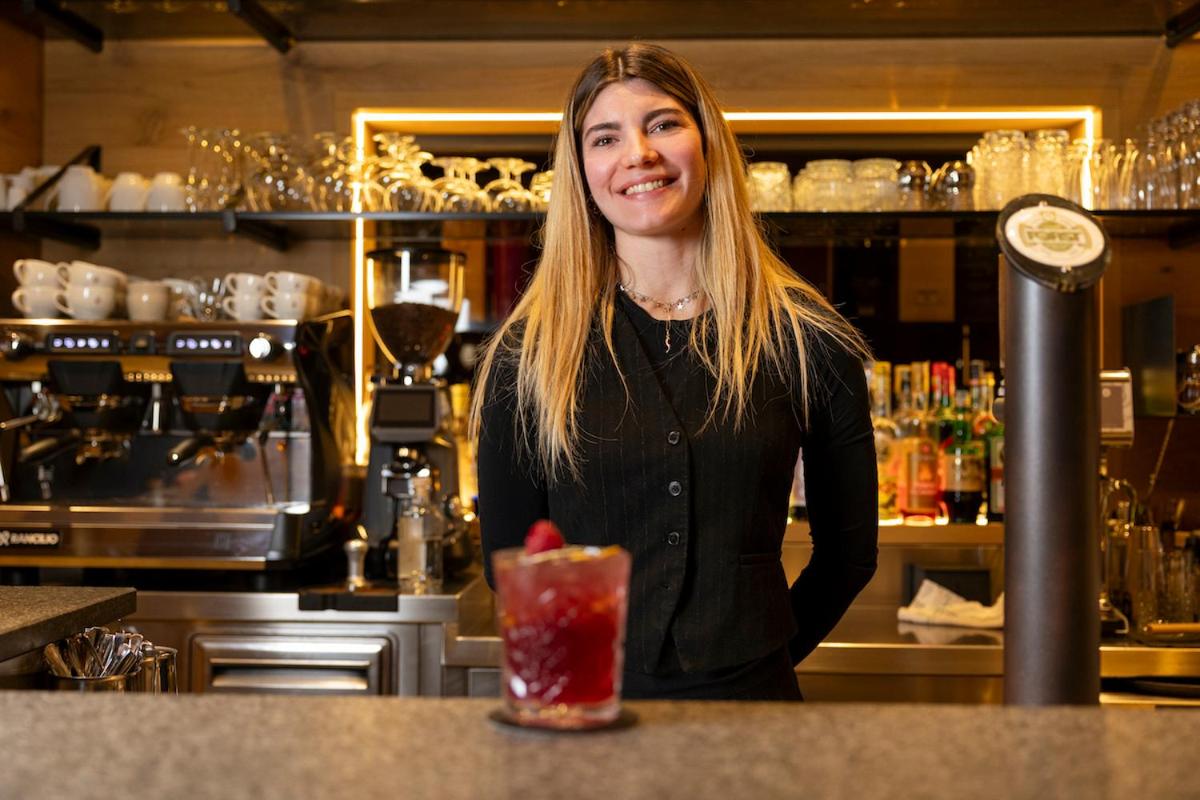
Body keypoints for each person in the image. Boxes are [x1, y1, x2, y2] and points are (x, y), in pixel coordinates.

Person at [471, 43, 878, 701]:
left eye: (662, 124)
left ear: (707, 143)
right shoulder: (529, 354)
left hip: (752, 711)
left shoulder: (807, 338)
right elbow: (510, 565)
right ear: (581, 170)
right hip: (586, 712)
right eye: (606, 138)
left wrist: (759, 658)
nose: (639, 154)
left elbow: (849, 555)